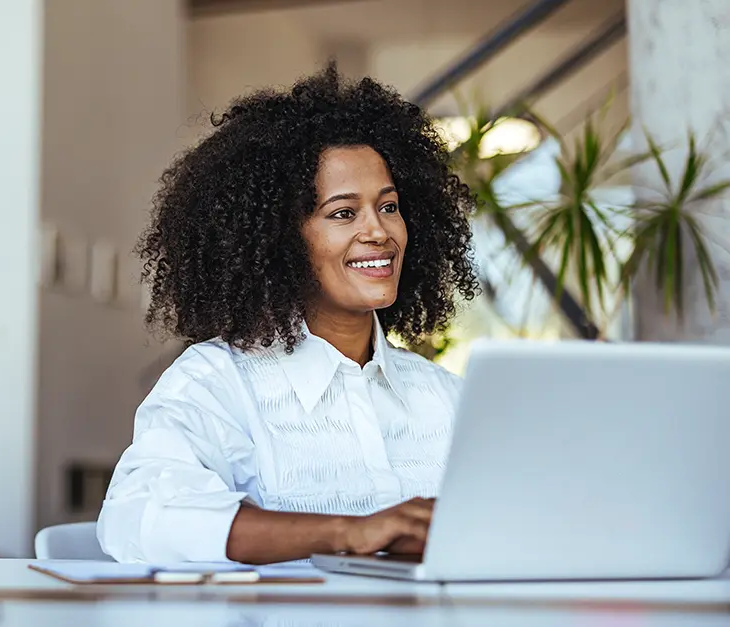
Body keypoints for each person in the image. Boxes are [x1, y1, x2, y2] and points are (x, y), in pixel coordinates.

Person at [96, 63, 479, 565]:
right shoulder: (217, 381)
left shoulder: (447, 398)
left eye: (388, 206)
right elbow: (140, 516)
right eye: (343, 213)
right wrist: (352, 532)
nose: (380, 232)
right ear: (279, 238)